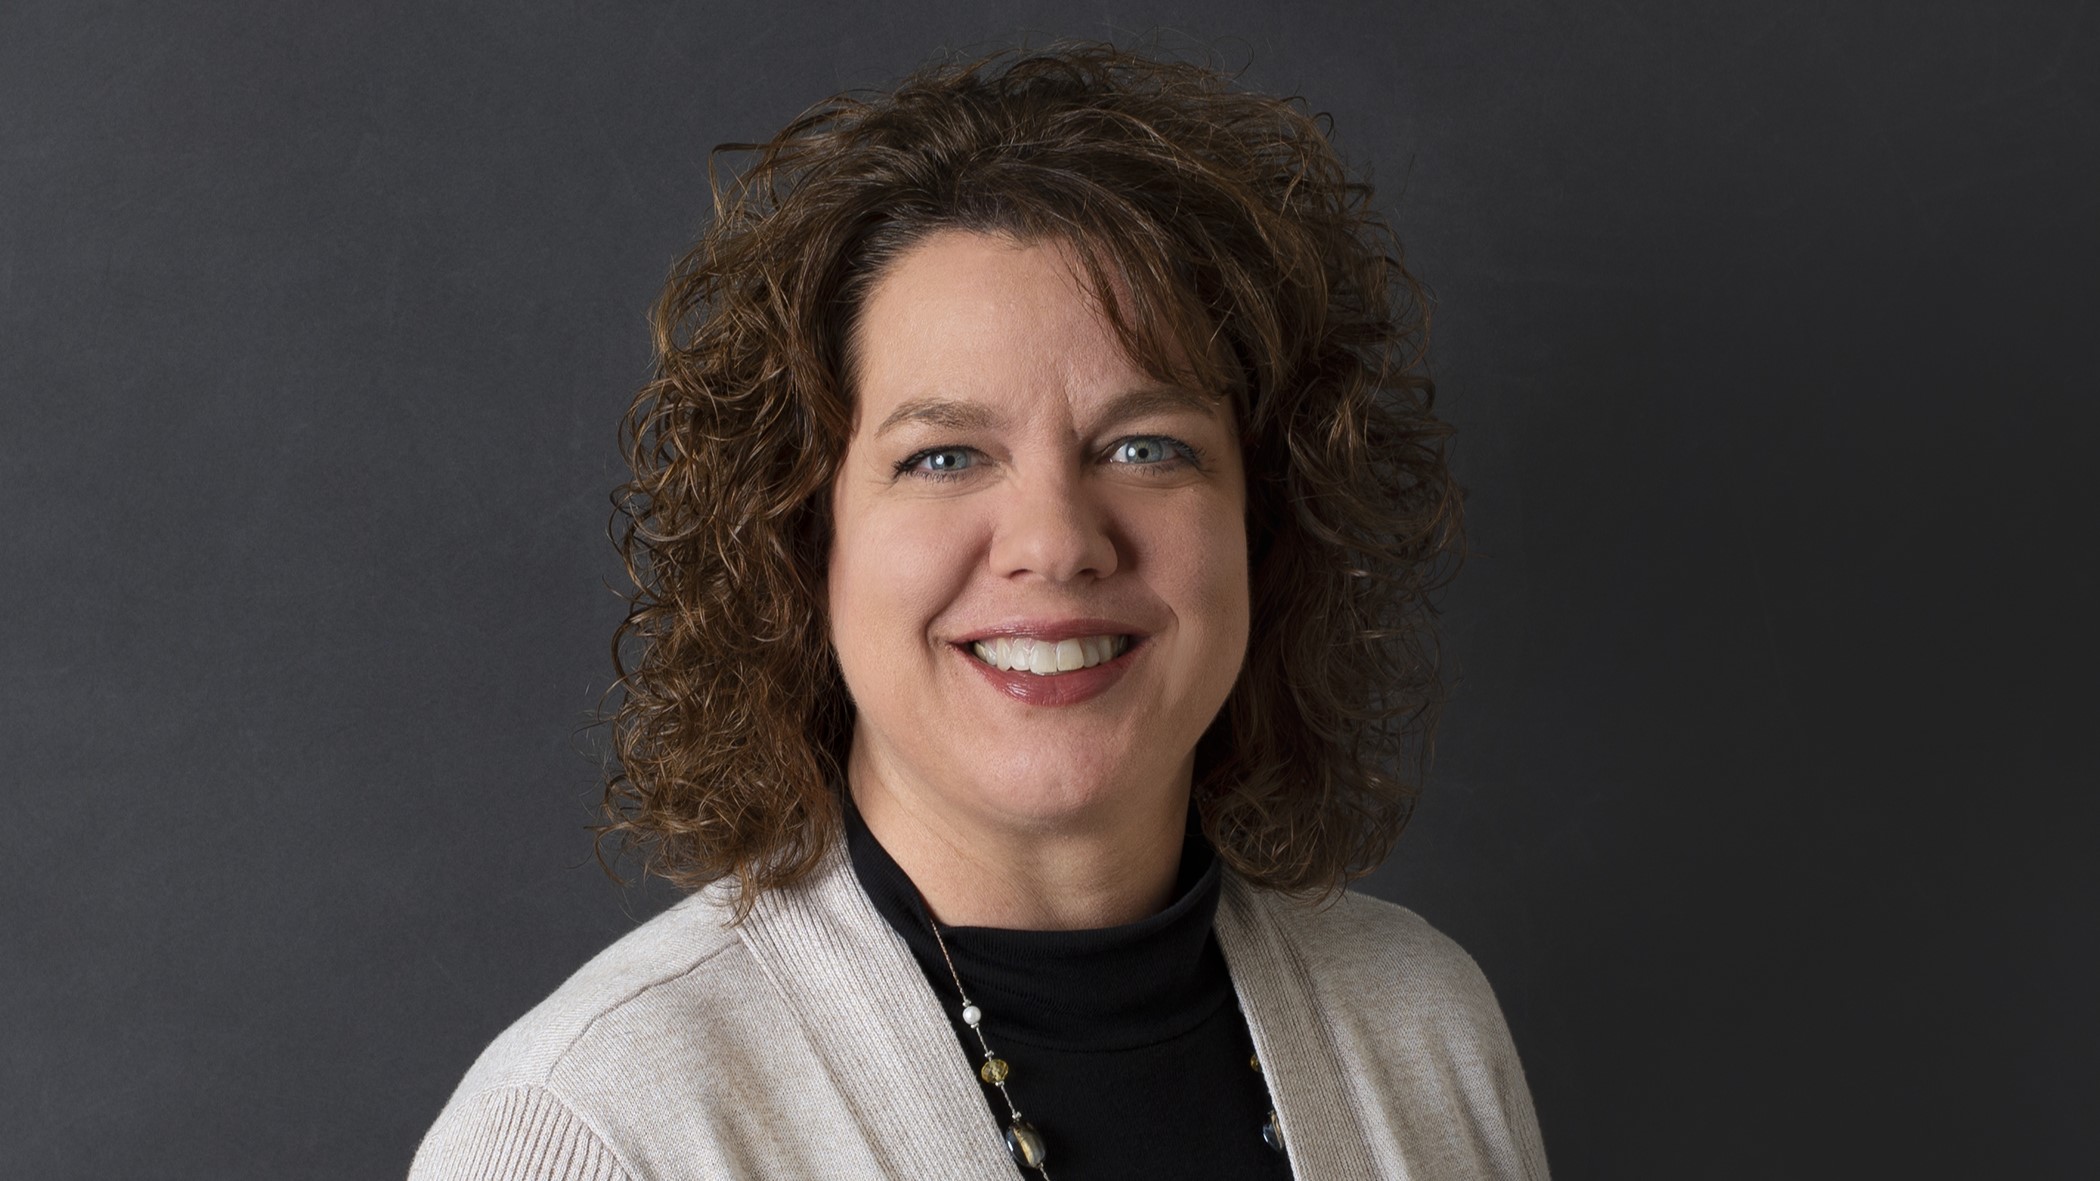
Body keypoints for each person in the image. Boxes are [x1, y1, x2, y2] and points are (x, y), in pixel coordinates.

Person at [410, 42, 1547, 1181]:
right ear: (804, 538)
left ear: (1264, 521)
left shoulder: (1424, 1026)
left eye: (1147, 446)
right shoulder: (590, 1127)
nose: (1056, 540)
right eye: (945, 454)